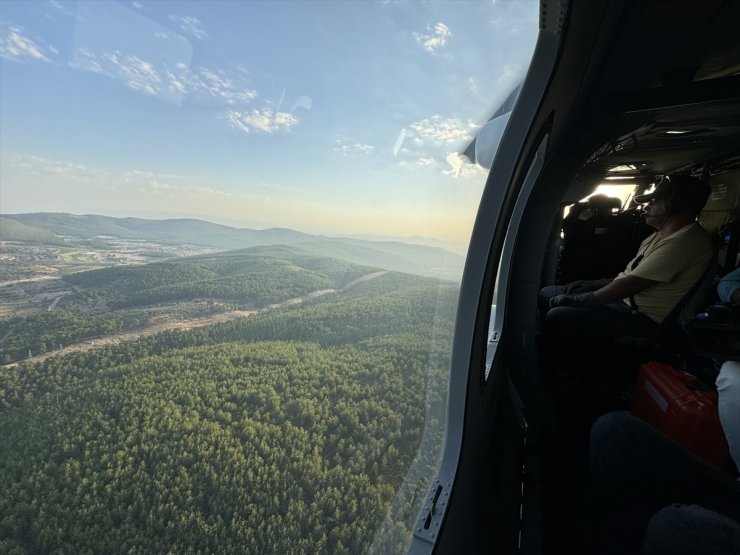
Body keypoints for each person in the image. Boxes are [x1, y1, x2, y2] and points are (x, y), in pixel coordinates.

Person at [539, 174, 714, 387]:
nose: (647, 207)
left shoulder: (681, 243)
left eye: (655, 201)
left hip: (643, 319)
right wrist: (591, 284)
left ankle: (575, 377)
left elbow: (629, 285)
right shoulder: (662, 235)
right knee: (547, 293)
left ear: (677, 204)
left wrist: (580, 299)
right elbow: (632, 274)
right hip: (627, 303)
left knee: (560, 315)